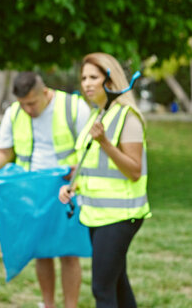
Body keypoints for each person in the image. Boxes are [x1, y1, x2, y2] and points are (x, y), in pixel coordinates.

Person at [0, 71, 90, 308]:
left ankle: (71, 306)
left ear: (45, 92)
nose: (28, 109)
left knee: (69, 252)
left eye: (32, 103)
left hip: (66, 189)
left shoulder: (73, 107)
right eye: (23, 104)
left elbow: (91, 150)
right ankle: (48, 305)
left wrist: (75, 169)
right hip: (32, 192)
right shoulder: (14, 113)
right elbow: (4, 151)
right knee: (42, 251)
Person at [59, 53, 151, 308]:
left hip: (121, 215)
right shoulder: (96, 116)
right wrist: (71, 185)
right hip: (97, 214)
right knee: (117, 282)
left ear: (109, 81)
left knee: (102, 287)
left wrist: (106, 144)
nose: (87, 83)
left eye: (93, 77)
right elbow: (89, 164)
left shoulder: (128, 117)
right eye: (84, 78)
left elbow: (134, 170)